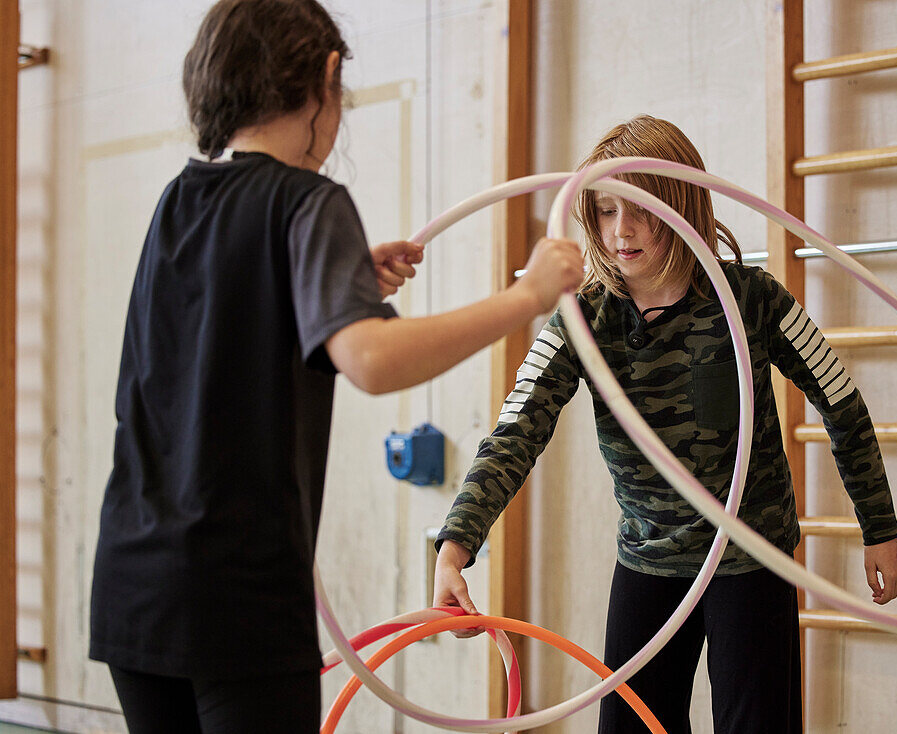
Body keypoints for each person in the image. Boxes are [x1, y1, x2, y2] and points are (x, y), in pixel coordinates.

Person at [87, 1, 583, 732]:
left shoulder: (176, 201)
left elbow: (221, 320)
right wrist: (527, 295)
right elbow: (373, 360)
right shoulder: (306, 201)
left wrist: (335, 282)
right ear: (324, 76)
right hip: (238, 595)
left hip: (133, 581)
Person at [433, 114, 897, 734]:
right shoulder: (583, 320)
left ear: (682, 207)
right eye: (604, 212)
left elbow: (841, 402)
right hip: (648, 562)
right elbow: (515, 433)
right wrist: (454, 550)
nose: (620, 232)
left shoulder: (753, 299)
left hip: (752, 559)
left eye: (639, 211)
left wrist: (880, 528)